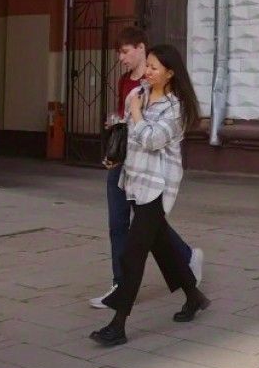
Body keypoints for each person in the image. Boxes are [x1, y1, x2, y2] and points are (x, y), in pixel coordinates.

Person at [90, 44, 210, 346]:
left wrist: (135, 113)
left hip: (157, 187)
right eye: (149, 66)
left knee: (133, 253)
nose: (148, 72)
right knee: (163, 246)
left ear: (170, 73)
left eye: (155, 68)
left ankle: (117, 325)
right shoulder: (139, 94)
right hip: (134, 181)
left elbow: (152, 140)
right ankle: (194, 296)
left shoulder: (175, 108)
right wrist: (115, 154)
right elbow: (129, 133)